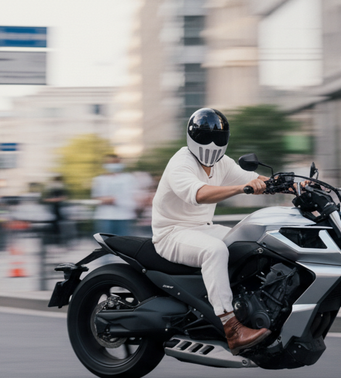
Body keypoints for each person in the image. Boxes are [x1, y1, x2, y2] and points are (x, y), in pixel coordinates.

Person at [152, 108, 270, 354]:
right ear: (193, 137)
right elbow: (199, 194)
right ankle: (231, 327)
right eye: (206, 137)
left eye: (218, 138)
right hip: (171, 233)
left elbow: (254, 178)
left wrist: (297, 184)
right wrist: (242, 188)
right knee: (215, 251)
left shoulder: (221, 163)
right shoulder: (180, 162)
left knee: (253, 240)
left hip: (202, 229)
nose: (213, 144)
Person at [91, 154, 139, 237]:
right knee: (105, 245)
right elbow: (95, 197)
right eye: (109, 163)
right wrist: (105, 200)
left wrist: (115, 199)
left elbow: (135, 196)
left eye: (115, 162)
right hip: (104, 217)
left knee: (124, 245)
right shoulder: (99, 179)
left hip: (124, 217)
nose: (112, 165)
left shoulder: (129, 178)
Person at [42, 175, 70, 245]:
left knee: (56, 226)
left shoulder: (57, 188)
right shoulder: (55, 188)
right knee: (55, 226)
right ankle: (56, 241)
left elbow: (62, 198)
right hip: (55, 210)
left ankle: (57, 241)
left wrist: (52, 200)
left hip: (57, 211)